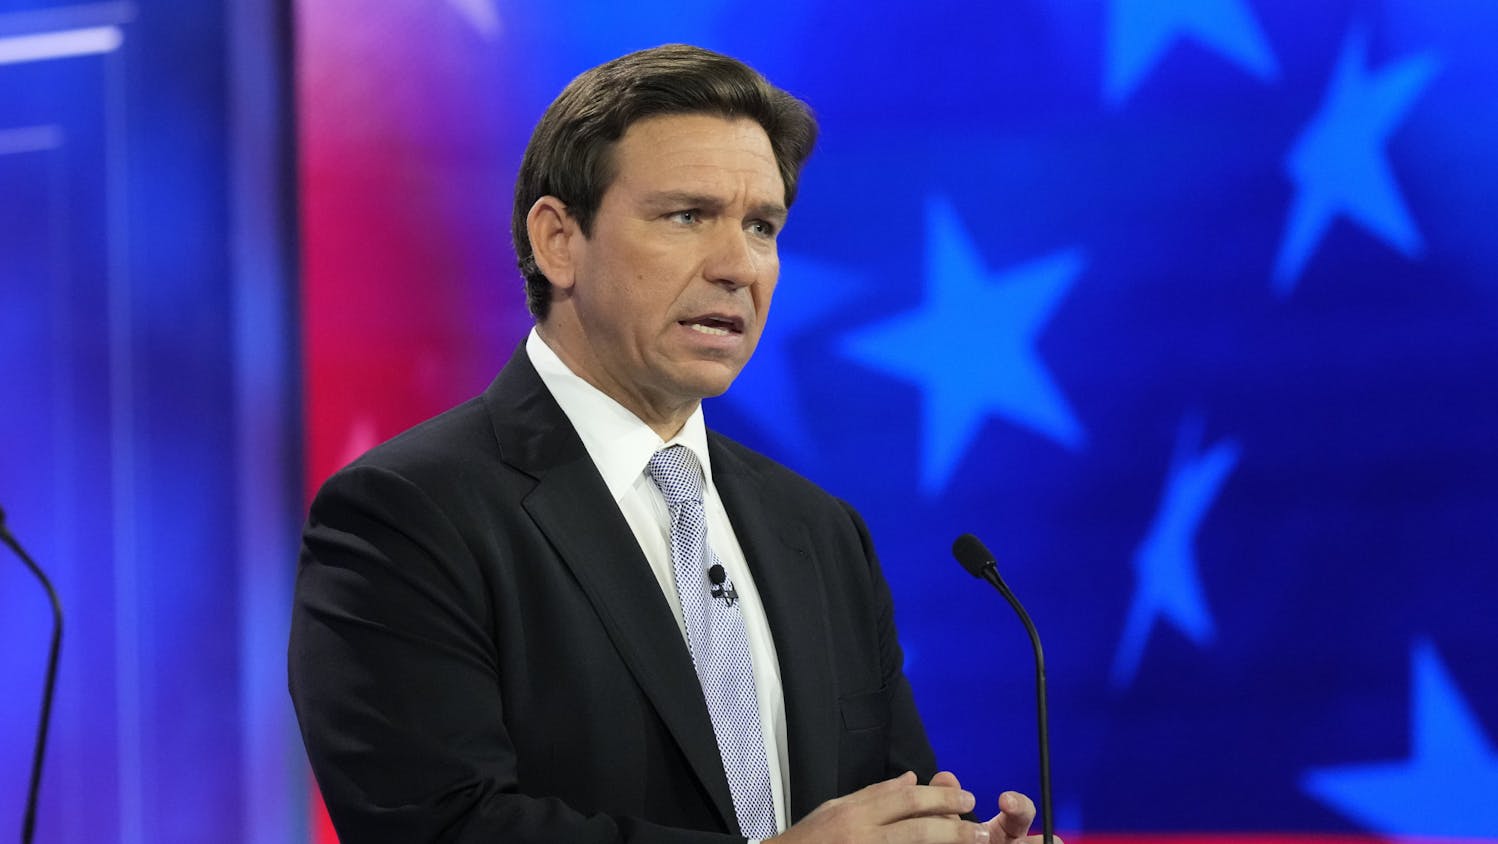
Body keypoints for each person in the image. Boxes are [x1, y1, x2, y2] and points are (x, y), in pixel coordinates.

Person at [289, 44, 1052, 844]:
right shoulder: (407, 515)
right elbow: (443, 827)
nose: (738, 266)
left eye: (761, 227)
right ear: (558, 241)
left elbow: (883, 810)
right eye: (687, 216)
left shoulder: (821, 533)